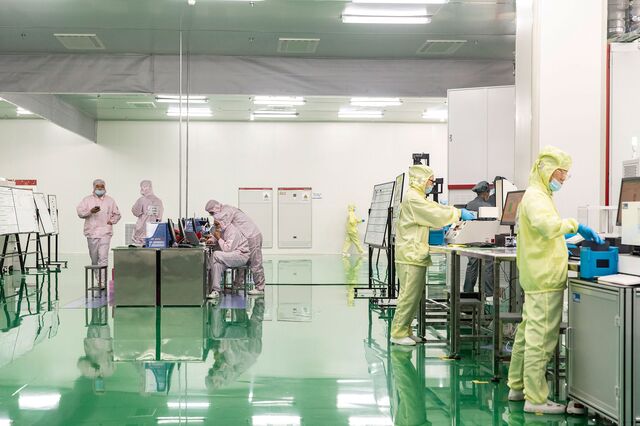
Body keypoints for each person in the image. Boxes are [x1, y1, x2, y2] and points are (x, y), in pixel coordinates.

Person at [506, 146, 603, 415]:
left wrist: (564, 239)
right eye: (562, 173)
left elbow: (545, 232)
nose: (563, 178)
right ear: (548, 170)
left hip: (537, 275)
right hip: (544, 277)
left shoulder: (540, 195)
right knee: (541, 339)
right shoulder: (537, 197)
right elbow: (548, 226)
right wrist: (574, 225)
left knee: (527, 334)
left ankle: (516, 386)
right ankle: (536, 398)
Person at [391, 164, 475, 346]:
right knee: (408, 296)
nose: (432, 184)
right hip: (410, 254)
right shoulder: (413, 198)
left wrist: (448, 211)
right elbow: (433, 212)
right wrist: (458, 212)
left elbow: (432, 209)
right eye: (431, 181)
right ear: (421, 180)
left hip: (413, 252)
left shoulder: (417, 197)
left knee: (413, 297)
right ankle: (398, 333)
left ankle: (405, 330)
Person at [205, 200, 266, 296]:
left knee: (255, 263)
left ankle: (260, 288)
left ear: (216, 209)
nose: (213, 216)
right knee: (244, 262)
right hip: (246, 237)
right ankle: (237, 284)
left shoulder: (226, 211)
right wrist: (213, 238)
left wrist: (215, 235)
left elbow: (219, 224)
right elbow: (220, 228)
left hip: (252, 236)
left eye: (212, 213)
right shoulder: (225, 211)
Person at [76, 179, 121, 281]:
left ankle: (102, 281)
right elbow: (80, 213)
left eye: (102, 187)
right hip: (91, 233)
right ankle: (98, 277)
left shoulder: (110, 200)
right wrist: (90, 211)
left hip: (105, 232)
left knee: (103, 257)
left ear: (105, 187)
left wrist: (112, 221)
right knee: (94, 258)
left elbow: (117, 214)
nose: (100, 189)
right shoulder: (87, 200)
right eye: (98, 187)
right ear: (94, 187)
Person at [206, 216, 250, 299]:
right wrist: (212, 240)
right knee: (217, 265)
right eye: (214, 224)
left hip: (241, 256)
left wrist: (218, 238)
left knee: (215, 254)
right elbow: (216, 236)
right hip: (231, 256)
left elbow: (227, 249)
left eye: (217, 224)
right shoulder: (222, 228)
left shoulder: (233, 231)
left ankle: (206, 271)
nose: (215, 227)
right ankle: (216, 290)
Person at [463, 180, 495, 294]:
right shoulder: (488, 206)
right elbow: (493, 226)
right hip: (483, 242)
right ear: (486, 193)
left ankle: (467, 293)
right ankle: (489, 295)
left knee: (472, 265)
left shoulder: (469, 204)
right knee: (488, 264)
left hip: (470, 241)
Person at [130, 180, 164, 246]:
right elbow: (159, 217)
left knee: (142, 254)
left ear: (150, 187)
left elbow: (135, 212)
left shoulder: (141, 200)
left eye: (144, 187)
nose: (142, 189)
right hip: (154, 233)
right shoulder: (159, 201)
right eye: (142, 187)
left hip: (141, 234)